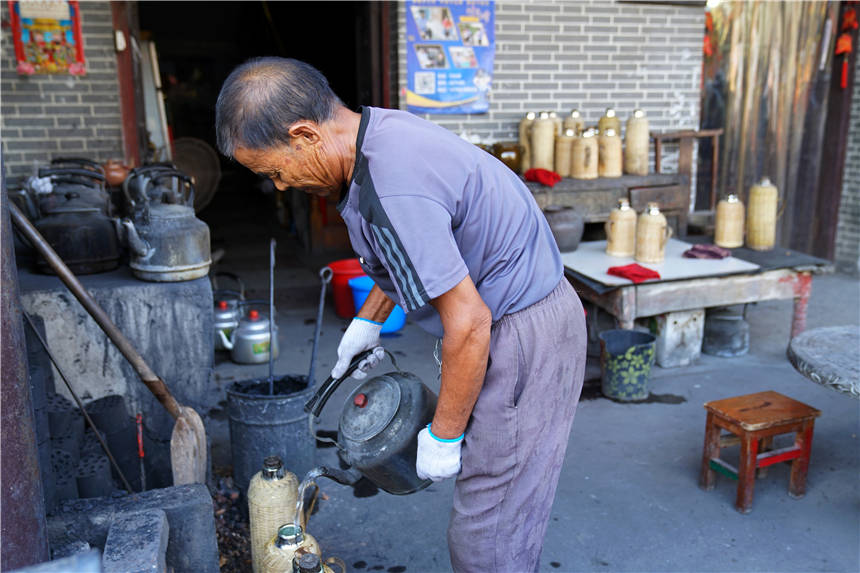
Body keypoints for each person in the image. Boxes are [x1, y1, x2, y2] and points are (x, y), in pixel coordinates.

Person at [215, 57, 586, 573]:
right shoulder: (372, 137)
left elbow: (469, 323)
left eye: (276, 171)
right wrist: (366, 321)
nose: (280, 185)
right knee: (492, 497)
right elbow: (407, 251)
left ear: (304, 135)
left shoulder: (392, 182)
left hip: (522, 330)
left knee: (491, 520)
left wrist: (445, 435)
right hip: (496, 319)